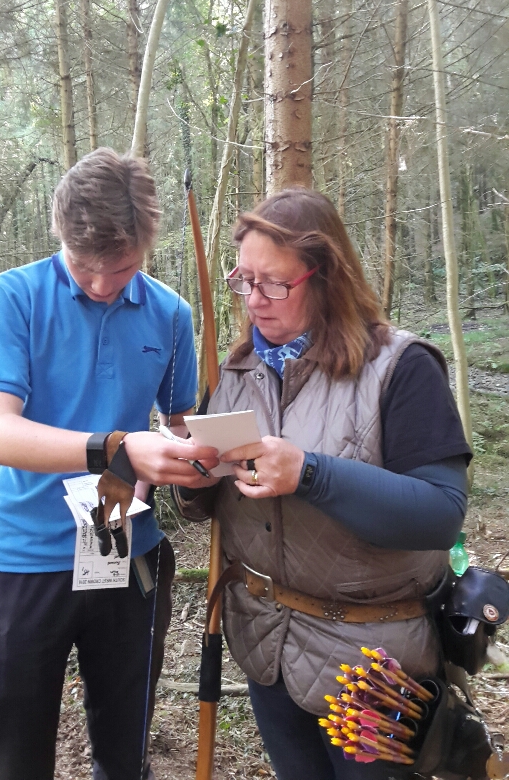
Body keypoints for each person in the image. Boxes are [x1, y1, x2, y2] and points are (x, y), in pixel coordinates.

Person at [173, 187, 472, 780]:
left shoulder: (401, 367)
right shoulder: (235, 370)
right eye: (244, 281)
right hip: (268, 646)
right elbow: (208, 502)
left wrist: (310, 473)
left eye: (275, 284)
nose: (255, 300)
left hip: (373, 663)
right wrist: (191, 475)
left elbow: (440, 515)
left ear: (326, 276)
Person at [0, 147, 218, 780]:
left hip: (126, 552)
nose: (104, 285)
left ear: (147, 247)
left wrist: (201, 457)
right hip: (23, 557)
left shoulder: (170, 313)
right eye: (85, 267)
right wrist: (116, 447)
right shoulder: (14, 297)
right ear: (60, 236)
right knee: (14, 756)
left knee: (124, 751)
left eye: (124, 268)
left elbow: (179, 422)